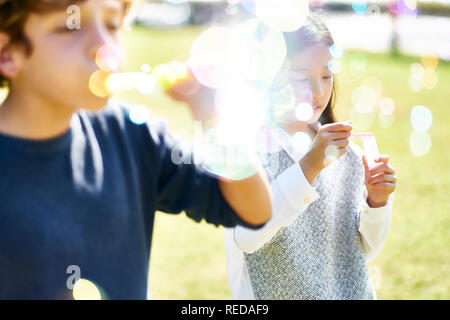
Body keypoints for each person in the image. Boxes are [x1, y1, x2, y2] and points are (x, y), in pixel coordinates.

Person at [0, 0, 272, 299]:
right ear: (7, 51)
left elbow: (253, 210)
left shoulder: (132, 137)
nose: (103, 47)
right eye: (69, 26)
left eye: (113, 25)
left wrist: (214, 118)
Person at [224, 14, 397, 300]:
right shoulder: (247, 153)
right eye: (302, 77)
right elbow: (247, 238)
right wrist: (308, 168)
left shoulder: (348, 156)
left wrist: (377, 203)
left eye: (327, 76)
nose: (318, 92)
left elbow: (363, 250)